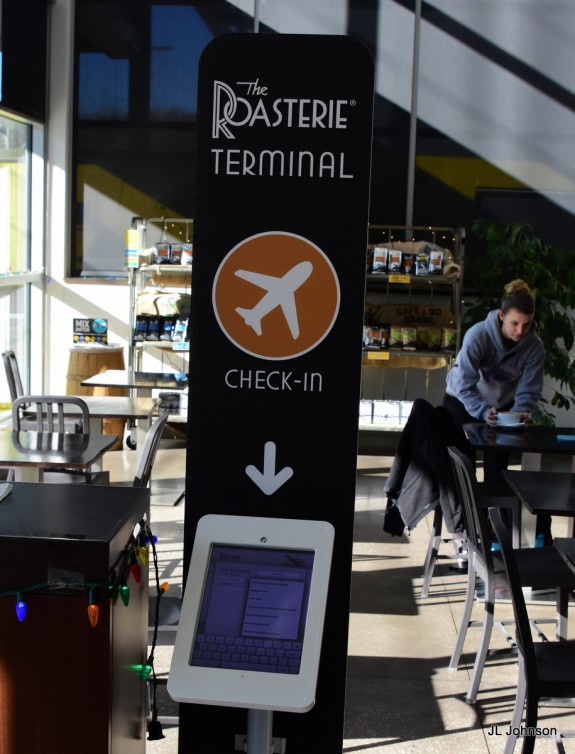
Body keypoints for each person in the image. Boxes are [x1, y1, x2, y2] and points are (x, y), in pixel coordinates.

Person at [443, 277, 545, 490]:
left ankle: (494, 521)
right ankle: (463, 520)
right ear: (501, 316)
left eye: (526, 325)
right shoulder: (478, 336)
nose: (520, 331)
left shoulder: (534, 347)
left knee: (498, 468)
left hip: (500, 404)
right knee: (462, 465)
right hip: (461, 400)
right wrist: (481, 411)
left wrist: (519, 414)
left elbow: (529, 389)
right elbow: (464, 384)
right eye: (514, 323)